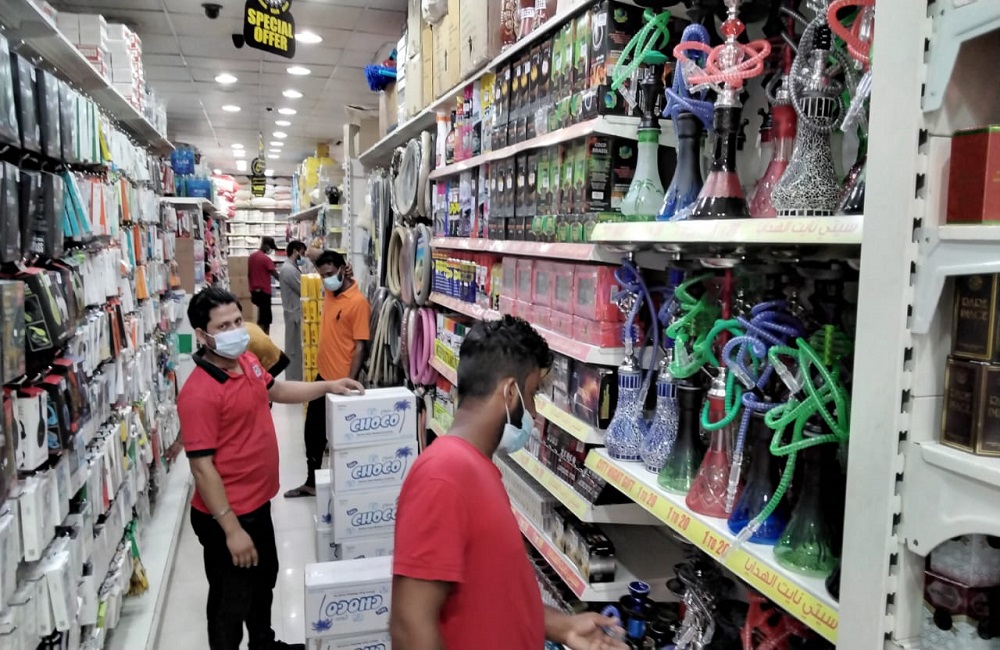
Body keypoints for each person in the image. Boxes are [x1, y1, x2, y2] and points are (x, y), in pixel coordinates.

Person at [390, 316, 626, 650]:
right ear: (511, 392)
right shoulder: (443, 475)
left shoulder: (477, 470)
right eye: (532, 394)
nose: (534, 411)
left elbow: (490, 596)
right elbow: (409, 626)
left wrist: (565, 627)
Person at [177, 287, 364, 650]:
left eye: (237, 321)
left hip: (257, 504)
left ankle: (264, 643)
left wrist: (328, 386)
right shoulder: (199, 393)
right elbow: (201, 468)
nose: (235, 331)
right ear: (201, 335)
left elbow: (276, 391)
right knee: (230, 602)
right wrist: (232, 530)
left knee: (264, 581)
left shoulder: (246, 361)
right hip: (227, 515)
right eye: (223, 326)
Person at [284, 250, 370, 498]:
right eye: (322, 276)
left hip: (341, 382)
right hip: (323, 377)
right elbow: (313, 254)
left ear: (343, 269)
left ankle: (340, 486)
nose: (326, 280)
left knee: (336, 436)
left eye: (330, 274)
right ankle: (312, 482)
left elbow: (360, 347)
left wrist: (350, 383)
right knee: (313, 433)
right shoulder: (331, 292)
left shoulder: (358, 303)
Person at [278, 241, 307, 381]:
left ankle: (296, 378)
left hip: (294, 312)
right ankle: (293, 379)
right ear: (295, 252)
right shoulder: (288, 270)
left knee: (296, 348)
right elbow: (303, 289)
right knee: (294, 350)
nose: (303, 256)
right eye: (302, 253)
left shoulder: (291, 268)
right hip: (294, 314)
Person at [248, 237, 279, 334]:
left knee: (260, 317)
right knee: (266, 320)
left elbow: (249, 274)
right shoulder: (266, 259)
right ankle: (264, 338)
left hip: (254, 291)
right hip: (264, 292)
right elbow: (276, 275)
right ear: (266, 245)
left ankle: (259, 335)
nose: (270, 250)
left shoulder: (251, 257)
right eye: (270, 248)